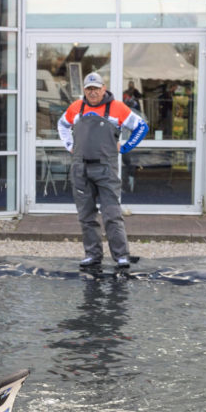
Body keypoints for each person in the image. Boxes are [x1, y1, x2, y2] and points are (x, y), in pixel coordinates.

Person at [57, 72, 148, 271]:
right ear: (84, 90)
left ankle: (121, 256)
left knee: (112, 214)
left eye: (96, 89)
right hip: (80, 168)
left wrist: (125, 147)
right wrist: (70, 145)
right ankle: (92, 255)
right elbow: (62, 124)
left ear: (103, 89)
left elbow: (141, 127)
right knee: (86, 215)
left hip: (106, 168)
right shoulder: (76, 107)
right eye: (89, 89)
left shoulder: (117, 108)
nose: (93, 92)